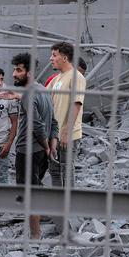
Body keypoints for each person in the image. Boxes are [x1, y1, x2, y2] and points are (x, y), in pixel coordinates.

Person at [9, 53, 58, 240]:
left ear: (29, 72)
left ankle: (35, 235)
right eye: (14, 69)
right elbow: (54, 121)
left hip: (28, 151)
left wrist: (46, 145)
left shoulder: (29, 94)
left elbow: (37, 125)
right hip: (40, 152)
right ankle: (47, 214)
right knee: (34, 187)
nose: (14, 74)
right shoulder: (44, 90)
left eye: (19, 70)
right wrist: (51, 146)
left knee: (28, 194)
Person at [47, 42, 87, 188]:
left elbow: (76, 104)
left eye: (54, 55)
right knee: (54, 170)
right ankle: (58, 206)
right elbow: (41, 96)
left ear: (64, 58)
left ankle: (68, 206)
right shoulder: (57, 78)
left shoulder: (76, 77)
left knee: (66, 170)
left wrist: (65, 131)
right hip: (55, 134)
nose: (51, 58)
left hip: (68, 134)